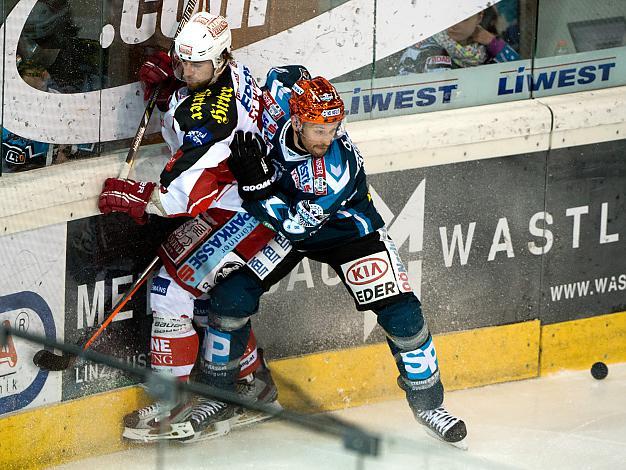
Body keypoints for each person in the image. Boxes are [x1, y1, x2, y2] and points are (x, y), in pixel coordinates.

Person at [197, 66, 467, 445]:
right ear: (296, 119)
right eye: (319, 129)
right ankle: (216, 395)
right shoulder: (280, 97)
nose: (327, 137)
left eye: (334, 127)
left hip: (346, 233)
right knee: (229, 297)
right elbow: (281, 74)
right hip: (291, 226)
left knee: (403, 313)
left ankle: (428, 405)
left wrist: (257, 188)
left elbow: (294, 226)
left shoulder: (335, 169)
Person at [97, 12, 279, 443]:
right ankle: (255, 385)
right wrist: (171, 89)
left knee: (168, 290)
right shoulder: (227, 74)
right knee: (205, 299)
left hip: (242, 215)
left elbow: (178, 196)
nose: (188, 70)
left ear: (220, 60)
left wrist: (135, 197)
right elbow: (192, 105)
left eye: (197, 65)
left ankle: (174, 403)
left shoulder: (216, 125)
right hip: (242, 207)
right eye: (183, 62)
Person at [399, 8, 519, 74]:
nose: (454, 24)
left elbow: (523, 76)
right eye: (449, 17)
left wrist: (493, 42)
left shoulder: (485, 50)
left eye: (463, 18)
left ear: (479, 18)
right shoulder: (425, 47)